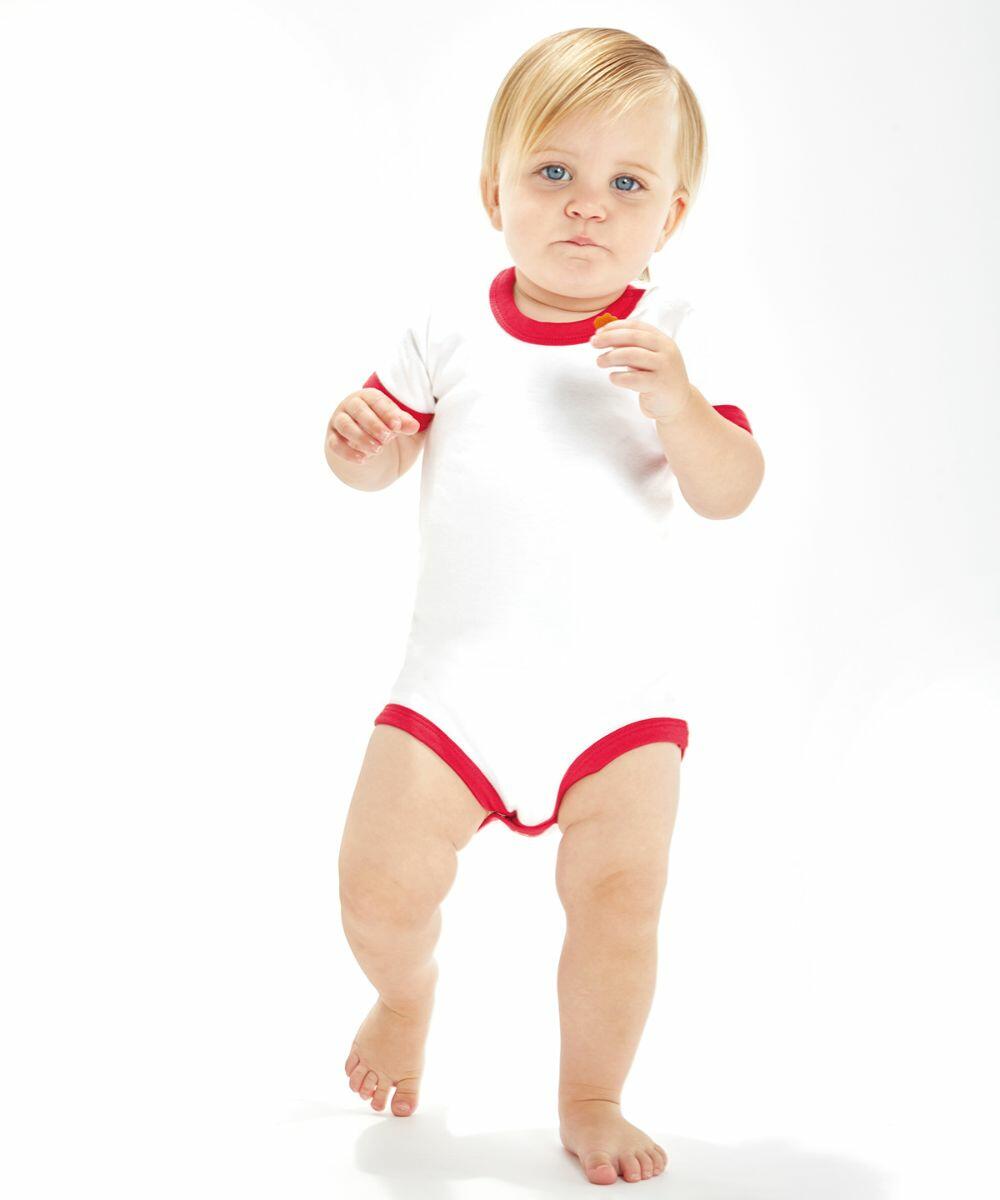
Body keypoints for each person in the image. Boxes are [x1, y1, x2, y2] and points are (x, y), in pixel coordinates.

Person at [323, 27, 764, 1187]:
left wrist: (679, 406)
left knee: (621, 908)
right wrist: (359, 445)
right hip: (454, 688)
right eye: (552, 173)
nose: (586, 207)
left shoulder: (675, 338)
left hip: (619, 707)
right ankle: (404, 997)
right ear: (494, 192)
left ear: (668, 215)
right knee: (375, 886)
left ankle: (591, 1092)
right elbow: (375, 466)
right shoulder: (447, 327)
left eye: (626, 184)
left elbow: (730, 491)